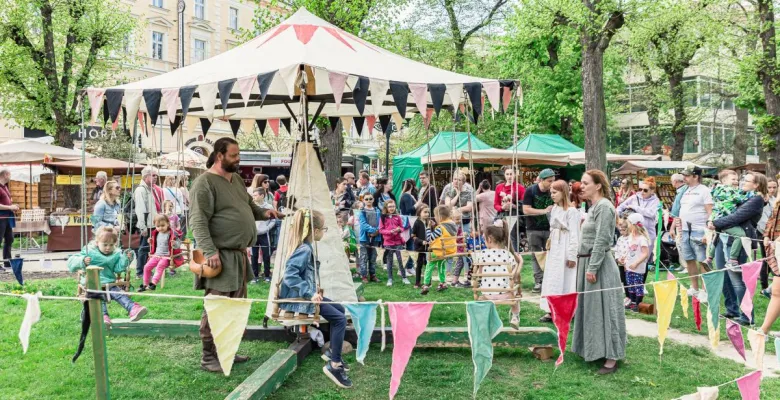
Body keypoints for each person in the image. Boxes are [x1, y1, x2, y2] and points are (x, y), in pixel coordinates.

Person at [189, 137, 278, 373]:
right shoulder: (204, 183)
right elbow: (198, 220)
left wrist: (265, 213)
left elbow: (250, 206)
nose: (238, 159)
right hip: (220, 255)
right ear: (219, 155)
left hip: (238, 255)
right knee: (217, 305)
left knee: (235, 306)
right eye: (234, 155)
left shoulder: (237, 179)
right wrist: (209, 251)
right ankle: (209, 356)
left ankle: (227, 348)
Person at [277, 209, 352, 388]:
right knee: (340, 319)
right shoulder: (304, 249)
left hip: (307, 296)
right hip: (300, 300)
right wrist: (309, 293)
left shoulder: (306, 246)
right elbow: (290, 275)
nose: (324, 232)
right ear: (315, 230)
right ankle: (334, 365)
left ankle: (332, 352)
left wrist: (312, 290)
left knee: (339, 310)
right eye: (323, 229)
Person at [571, 169, 626, 375]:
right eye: (581, 183)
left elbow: (602, 240)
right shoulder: (593, 206)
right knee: (593, 309)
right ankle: (593, 349)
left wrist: (593, 267)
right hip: (587, 263)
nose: (581, 186)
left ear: (598, 185)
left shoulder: (605, 207)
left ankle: (611, 358)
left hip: (600, 266)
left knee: (607, 308)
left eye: (585, 183)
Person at [711, 172, 768, 326]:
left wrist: (715, 223)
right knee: (724, 276)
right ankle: (732, 310)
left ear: (756, 185)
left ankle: (747, 316)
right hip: (724, 237)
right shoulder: (742, 194)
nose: (742, 182)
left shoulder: (756, 199)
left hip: (739, 241)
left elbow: (736, 217)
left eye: (747, 180)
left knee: (738, 281)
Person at [68, 226, 146, 327]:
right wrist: (82, 260)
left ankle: (133, 308)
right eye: (105, 245)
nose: (108, 248)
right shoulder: (89, 251)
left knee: (119, 294)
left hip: (109, 283)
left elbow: (118, 268)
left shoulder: (115, 253)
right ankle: (103, 316)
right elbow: (71, 262)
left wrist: (125, 259)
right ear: (97, 242)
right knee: (98, 297)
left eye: (111, 245)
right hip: (92, 283)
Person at [539, 180, 580, 323]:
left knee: (566, 278)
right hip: (555, 247)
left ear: (563, 192)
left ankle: (567, 310)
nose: (552, 195)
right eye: (551, 192)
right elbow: (552, 228)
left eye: (555, 192)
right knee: (552, 277)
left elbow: (575, 234)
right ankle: (550, 309)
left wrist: (572, 256)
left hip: (565, 246)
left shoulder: (572, 211)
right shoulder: (555, 209)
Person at [475, 219, 522, 329]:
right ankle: (515, 317)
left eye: (484, 240)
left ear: (490, 239)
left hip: (487, 294)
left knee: (481, 299)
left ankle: (487, 320)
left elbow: (479, 274)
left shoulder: (482, 254)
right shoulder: (507, 254)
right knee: (514, 297)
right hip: (505, 294)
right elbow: (515, 275)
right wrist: (521, 263)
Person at [677, 165, 713, 301]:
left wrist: (707, 232)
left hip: (699, 229)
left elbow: (710, 211)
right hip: (685, 230)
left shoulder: (704, 191)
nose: (684, 178)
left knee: (702, 261)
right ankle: (694, 288)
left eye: (687, 175)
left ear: (695, 176)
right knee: (689, 259)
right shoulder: (685, 190)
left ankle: (705, 290)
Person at [704, 170, 752, 269]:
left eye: (737, 179)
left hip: (717, 217)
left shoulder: (718, 189)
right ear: (724, 181)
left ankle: (709, 258)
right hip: (724, 218)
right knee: (740, 235)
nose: (736, 181)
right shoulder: (728, 190)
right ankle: (733, 259)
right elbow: (740, 198)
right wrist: (751, 193)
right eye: (733, 179)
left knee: (717, 235)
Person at [616, 177, 659, 272]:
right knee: (630, 256)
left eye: (645, 190)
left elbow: (651, 213)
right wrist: (620, 218)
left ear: (652, 191)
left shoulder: (655, 201)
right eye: (640, 189)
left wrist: (636, 208)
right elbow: (619, 207)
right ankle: (628, 283)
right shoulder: (635, 197)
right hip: (632, 232)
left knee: (644, 258)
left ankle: (642, 284)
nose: (642, 192)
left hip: (647, 233)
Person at [523, 168, 555, 293]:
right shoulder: (530, 191)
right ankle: (538, 281)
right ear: (541, 180)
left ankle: (550, 280)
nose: (552, 184)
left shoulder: (552, 191)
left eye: (553, 181)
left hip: (550, 228)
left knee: (551, 254)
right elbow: (526, 209)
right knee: (536, 255)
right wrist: (544, 211)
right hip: (533, 229)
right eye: (549, 181)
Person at [444, 173, 475, 285]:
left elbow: (469, 207)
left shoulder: (469, 190)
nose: (456, 181)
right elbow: (447, 206)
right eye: (454, 179)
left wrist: (456, 209)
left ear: (463, 181)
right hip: (451, 223)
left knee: (464, 249)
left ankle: (466, 274)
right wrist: (457, 195)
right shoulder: (448, 189)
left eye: (459, 180)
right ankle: (448, 273)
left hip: (464, 222)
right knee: (450, 247)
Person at [133, 166, 164, 278]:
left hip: (152, 224)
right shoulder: (141, 190)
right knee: (144, 248)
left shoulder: (151, 189)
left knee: (149, 248)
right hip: (147, 225)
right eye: (153, 175)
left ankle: (146, 270)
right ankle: (140, 272)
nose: (156, 177)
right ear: (146, 176)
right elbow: (140, 209)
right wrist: (143, 227)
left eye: (156, 175)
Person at [138, 214, 182, 292]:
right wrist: (150, 242)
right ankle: (145, 284)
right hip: (156, 255)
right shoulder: (156, 233)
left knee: (160, 266)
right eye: (158, 226)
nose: (160, 228)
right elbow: (155, 244)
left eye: (162, 225)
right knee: (146, 267)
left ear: (168, 224)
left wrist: (174, 243)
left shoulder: (172, 233)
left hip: (166, 257)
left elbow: (178, 244)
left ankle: (153, 284)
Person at [421, 205, 457, 295]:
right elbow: (445, 234)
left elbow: (429, 238)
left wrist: (428, 228)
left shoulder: (440, 228)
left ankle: (426, 284)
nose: (435, 218)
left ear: (440, 217)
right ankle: (442, 282)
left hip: (438, 251)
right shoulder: (452, 224)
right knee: (441, 266)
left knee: (429, 266)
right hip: (449, 250)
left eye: (435, 216)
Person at [623, 213, 650, 311]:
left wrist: (636, 263)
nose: (628, 225)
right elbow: (628, 250)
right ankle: (633, 302)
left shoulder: (642, 239)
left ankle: (638, 303)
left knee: (638, 285)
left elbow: (645, 253)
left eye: (629, 223)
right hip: (629, 267)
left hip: (638, 268)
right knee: (630, 284)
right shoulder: (630, 237)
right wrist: (624, 260)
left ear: (634, 224)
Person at [379, 200, 410, 286]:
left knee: (401, 260)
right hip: (388, 243)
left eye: (393, 206)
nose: (391, 208)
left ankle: (404, 277)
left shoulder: (397, 216)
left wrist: (399, 229)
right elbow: (381, 230)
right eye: (389, 207)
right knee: (389, 261)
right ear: (386, 208)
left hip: (398, 242)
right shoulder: (383, 218)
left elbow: (402, 227)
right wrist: (390, 232)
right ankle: (390, 279)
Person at [252, 188, 276, 284]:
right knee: (254, 256)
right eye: (253, 195)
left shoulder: (269, 206)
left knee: (266, 255)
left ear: (262, 196)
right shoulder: (251, 207)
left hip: (264, 235)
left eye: (255, 195)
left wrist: (267, 228)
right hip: (254, 235)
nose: (253, 197)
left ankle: (267, 275)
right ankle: (255, 276)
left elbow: (273, 220)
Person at [759, 180, 779, 296]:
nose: (772, 190)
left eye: (774, 187)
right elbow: (767, 220)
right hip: (765, 235)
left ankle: (769, 289)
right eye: (769, 187)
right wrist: (766, 235)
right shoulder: (763, 200)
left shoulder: (774, 200)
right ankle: (765, 287)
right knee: (766, 261)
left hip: (775, 237)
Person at [358, 193, 381, 283]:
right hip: (365, 237)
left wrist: (377, 232)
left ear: (373, 199)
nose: (368, 201)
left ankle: (373, 275)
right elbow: (363, 224)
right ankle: (364, 275)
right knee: (364, 257)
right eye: (366, 199)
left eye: (370, 199)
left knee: (373, 257)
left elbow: (380, 223)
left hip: (375, 237)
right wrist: (373, 231)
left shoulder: (377, 210)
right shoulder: (362, 211)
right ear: (363, 200)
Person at [0, 169, 18, 272]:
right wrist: (9, 207)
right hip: (1, 218)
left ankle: (7, 261)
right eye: (10, 174)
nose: (10, 176)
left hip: (7, 218)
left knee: (9, 238)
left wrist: (13, 206)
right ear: (5, 175)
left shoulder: (5, 187)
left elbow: (6, 203)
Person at [399, 179, 418, 274]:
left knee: (410, 245)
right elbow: (408, 210)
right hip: (408, 223)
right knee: (408, 245)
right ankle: (405, 267)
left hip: (410, 222)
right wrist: (417, 205)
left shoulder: (408, 195)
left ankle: (409, 266)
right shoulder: (406, 196)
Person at [411, 206, 430, 288]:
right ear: (419, 213)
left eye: (428, 212)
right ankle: (417, 282)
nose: (427, 214)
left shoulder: (429, 222)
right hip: (419, 248)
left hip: (429, 248)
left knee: (428, 265)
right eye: (425, 212)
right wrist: (421, 241)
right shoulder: (417, 222)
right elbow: (413, 235)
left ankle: (428, 282)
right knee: (419, 265)